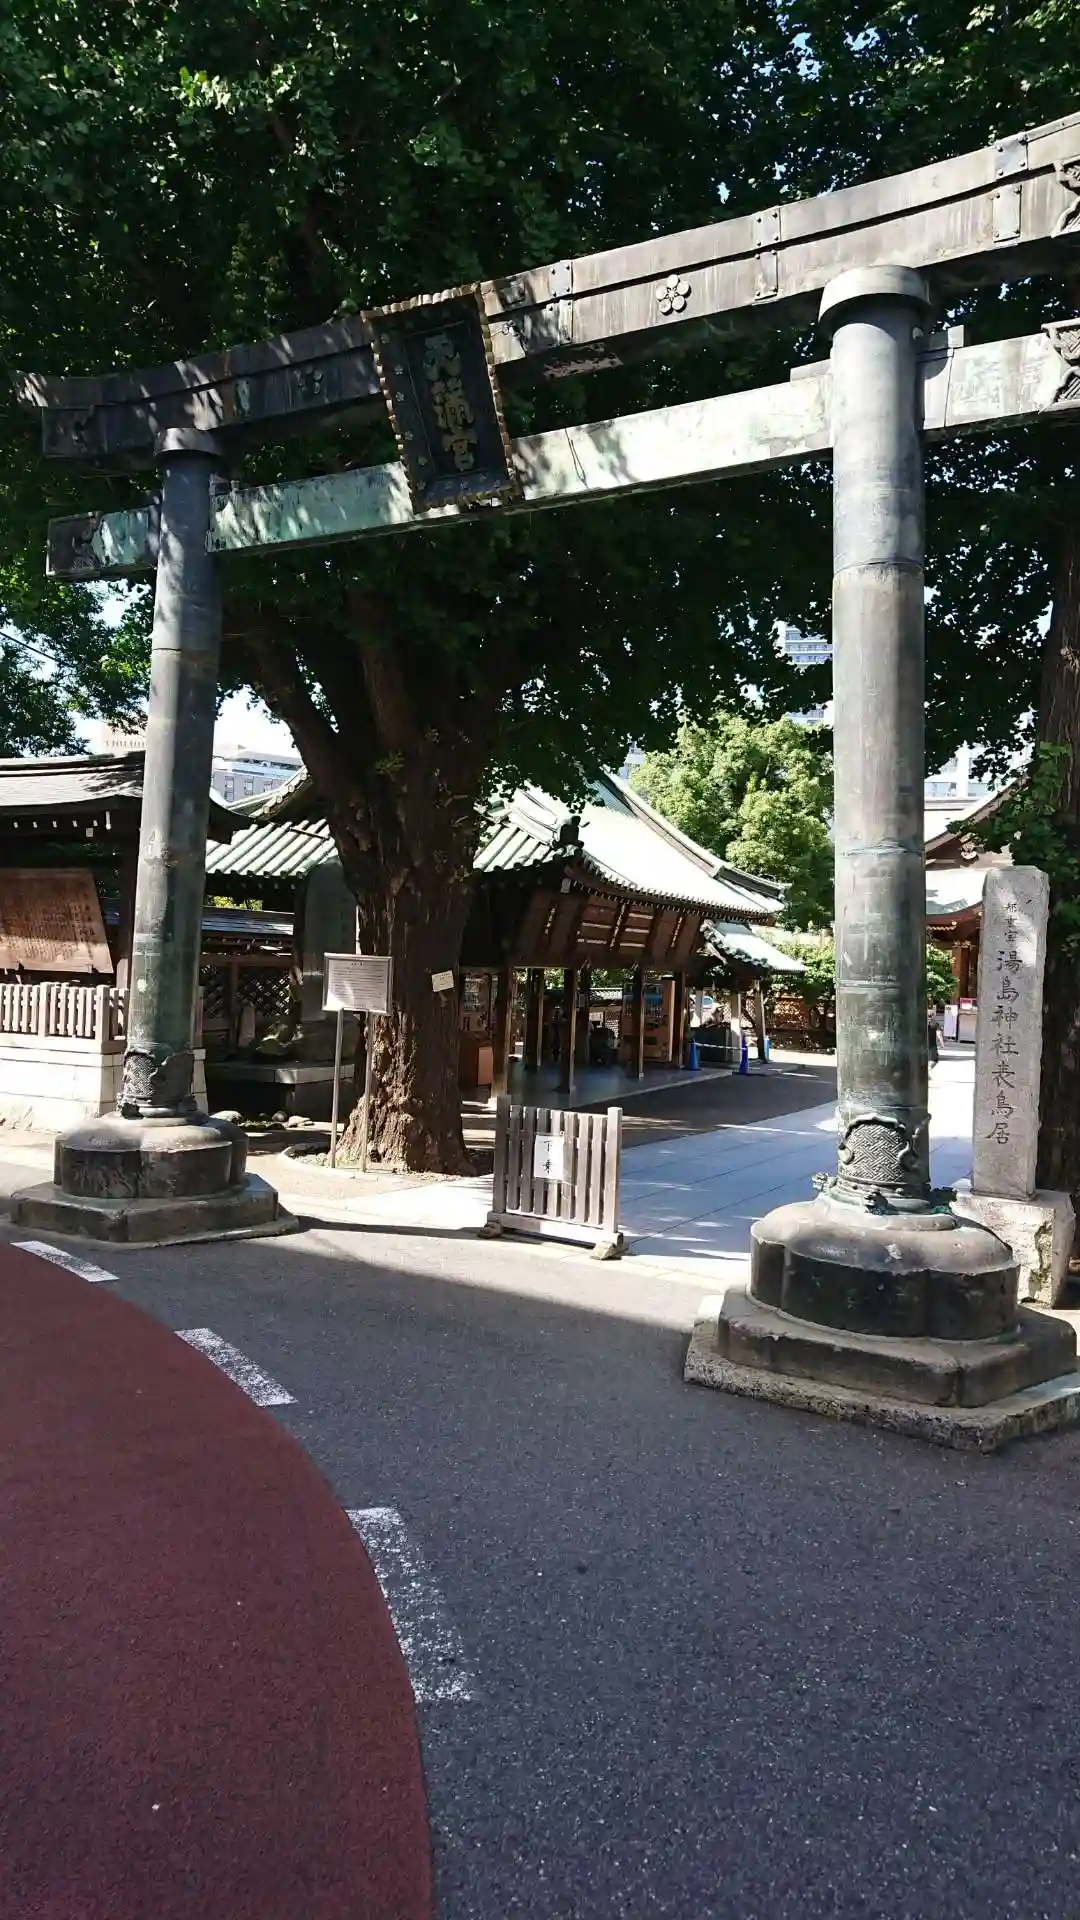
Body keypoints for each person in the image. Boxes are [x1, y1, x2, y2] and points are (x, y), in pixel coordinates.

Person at [927, 1005, 941, 1069]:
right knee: (934, 1060)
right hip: (932, 1045)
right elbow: (939, 1034)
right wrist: (942, 1043)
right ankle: (929, 1068)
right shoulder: (935, 1023)